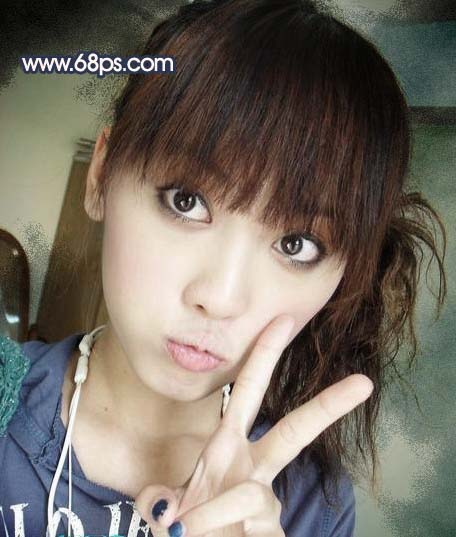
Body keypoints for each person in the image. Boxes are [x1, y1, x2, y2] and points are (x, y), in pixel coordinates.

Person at [0, 0, 447, 536]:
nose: (220, 297)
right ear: (100, 176)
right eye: (186, 200)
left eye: (297, 244)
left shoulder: (312, 508)